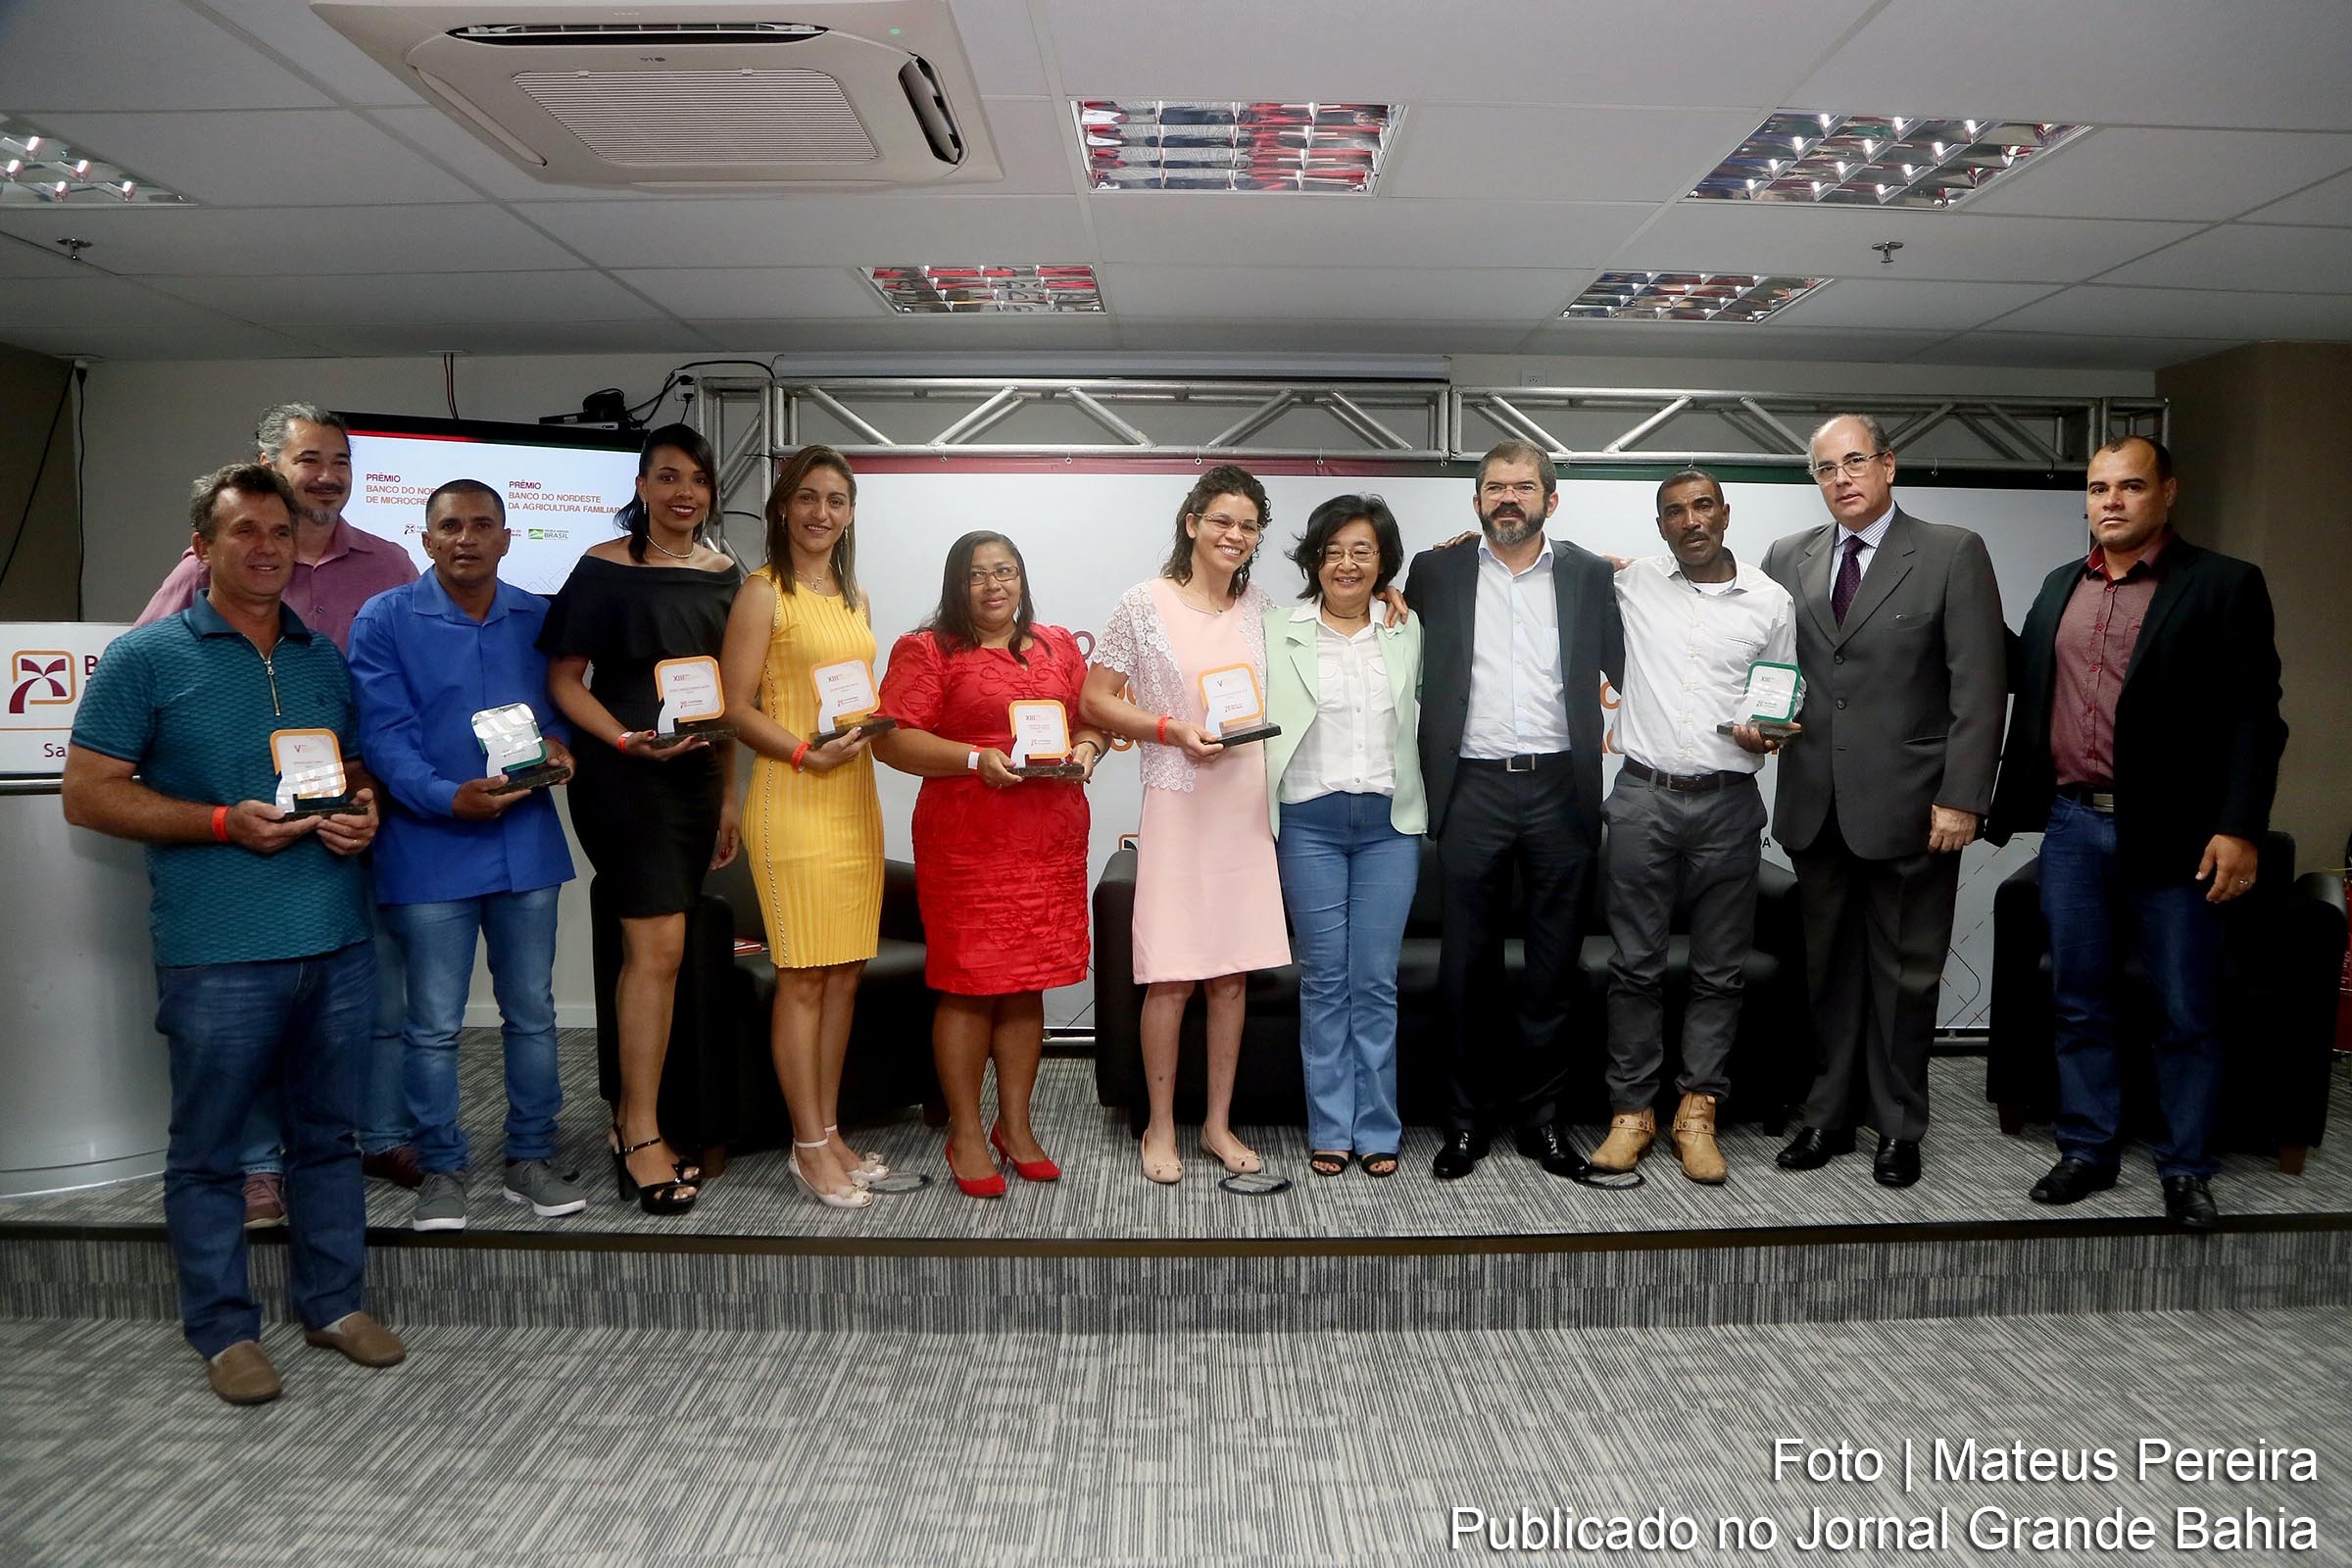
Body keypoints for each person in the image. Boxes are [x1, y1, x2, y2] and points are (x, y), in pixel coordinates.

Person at [63, 463, 406, 1405]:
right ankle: (222, 1329)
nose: (264, 548)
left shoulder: (319, 659)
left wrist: (361, 815)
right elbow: (87, 796)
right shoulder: (147, 659)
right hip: (218, 950)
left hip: (334, 936)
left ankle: (333, 1303)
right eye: (243, 532)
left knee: (327, 1138)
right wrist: (221, 822)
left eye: (279, 533)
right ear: (203, 548)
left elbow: (352, 776)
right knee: (211, 1149)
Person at [1987, 436, 2285, 1230]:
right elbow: (2025, 680)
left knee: (2184, 1009)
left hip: (2178, 836)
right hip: (2074, 828)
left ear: (2167, 493)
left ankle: (2187, 1168)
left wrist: (2239, 828)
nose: (2110, 501)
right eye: (2097, 487)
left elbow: (2257, 720)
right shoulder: (2059, 589)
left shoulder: (2222, 585)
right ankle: (2088, 1150)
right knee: (2079, 1000)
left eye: (2129, 486)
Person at [135, 403, 421, 1222]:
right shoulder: (217, 562)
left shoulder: (390, 561)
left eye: (339, 460)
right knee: (258, 1021)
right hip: (245, 851)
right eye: (309, 460)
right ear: (267, 464)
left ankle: (376, 1131)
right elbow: (150, 672)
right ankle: (260, 1166)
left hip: (351, 821)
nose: (326, 475)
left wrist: (373, 799)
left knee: (375, 1000)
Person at [1761, 414, 2006, 1189]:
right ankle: (1829, 1116)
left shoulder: (1950, 552)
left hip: (1913, 807)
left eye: (1855, 462)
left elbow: (1979, 685)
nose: (1842, 479)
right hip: (1814, 803)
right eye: (1826, 469)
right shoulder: (1786, 557)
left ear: (1889, 465)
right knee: (1827, 974)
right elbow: (1764, 657)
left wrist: (1964, 796)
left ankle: (1899, 1126)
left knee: (1905, 976)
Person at [347, 478, 584, 1233]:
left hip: (524, 849)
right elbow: (383, 737)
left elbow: (564, 710)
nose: (466, 539)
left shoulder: (539, 619)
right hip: (427, 848)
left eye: (483, 525)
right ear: (426, 539)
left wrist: (562, 746)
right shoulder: (383, 620)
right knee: (433, 1025)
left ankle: (529, 1159)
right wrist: (449, 796)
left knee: (533, 1015)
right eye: (450, 526)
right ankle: (443, 1168)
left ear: (508, 538)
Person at [1403, 441, 1623, 1181]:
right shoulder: (1436, 572)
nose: (1508, 499)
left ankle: (1544, 1124)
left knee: (1553, 971)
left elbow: (1632, 664)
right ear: (1475, 502)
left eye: (1523, 488)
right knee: (1465, 969)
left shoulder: (1591, 575)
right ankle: (1465, 1125)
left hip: (1562, 791)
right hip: (1473, 791)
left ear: (1549, 502)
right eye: (1494, 487)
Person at [539, 423, 741, 1215]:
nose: (682, 492)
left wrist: (728, 797)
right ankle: (640, 1130)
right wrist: (622, 740)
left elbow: (730, 700)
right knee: (654, 949)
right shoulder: (601, 568)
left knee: (664, 951)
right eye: (666, 477)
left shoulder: (730, 576)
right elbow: (562, 679)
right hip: (625, 778)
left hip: (695, 778)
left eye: (695, 478)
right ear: (642, 487)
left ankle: (642, 1109)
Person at [871, 532, 1105, 1197]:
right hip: (969, 839)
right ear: (956, 584)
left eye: (1006, 572)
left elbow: (1089, 717)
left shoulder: (1056, 644)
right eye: (978, 576)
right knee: (971, 983)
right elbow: (894, 740)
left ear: (1023, 579)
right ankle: (967, 1133)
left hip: (1048, 837)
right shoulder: (927, 649)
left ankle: (1018, 1126)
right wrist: (975, 759)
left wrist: (1088, 751)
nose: (994, 585)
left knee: (1026, 982)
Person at [1082, 465, 1292, 1184]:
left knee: (1230, 978)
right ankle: (1160, 1127)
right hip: (1177, 798)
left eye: (1248, 525)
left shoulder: (1265, 608)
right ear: (1192, 522)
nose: (1234, 535)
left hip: (1243, 803)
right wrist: (1167, 728)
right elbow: (1097, 701)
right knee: (1170, 976)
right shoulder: (1143, 603)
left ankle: (1217, 1125)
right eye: (1222, 520)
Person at [1585, 469, 1795, 1185]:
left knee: (1719, 969)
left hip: (1729, 803)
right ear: (1662, 526)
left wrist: (1768, 733)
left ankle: (1698, 1111)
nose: (1690, 520)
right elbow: (1548, 566)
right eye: (1674, 512)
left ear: (1725, 513)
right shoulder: (1635, 581)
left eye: (1702, 506)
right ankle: (1631, 1113)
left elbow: (1781, 696)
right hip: (1642, 797)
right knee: (1634, 965)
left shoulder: (1771, 602)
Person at [718, 444, 887, 1211]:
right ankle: (807, 1145)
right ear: (782, 507)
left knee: (845, 972)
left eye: (838, 501)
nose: (823, 513)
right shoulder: (762, 593)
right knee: (804, 976)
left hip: (853, 795)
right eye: (809, 498)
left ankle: (830, 1128)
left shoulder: (854, 596)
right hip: (793, 794)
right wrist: (801, 753)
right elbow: (734, 706)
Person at [1261, 496, 1425, 1179]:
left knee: (1375, 980)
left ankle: (1378, 1128)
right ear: (1313, 560)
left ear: (1383, 562)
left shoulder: (1408, 627)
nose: (1346, 564)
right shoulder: (1275, 628)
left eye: (1362, 550)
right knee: (1325, 981)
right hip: (1309, 821)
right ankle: (1331, 1126)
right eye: (1333, 551)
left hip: (1389, 825)